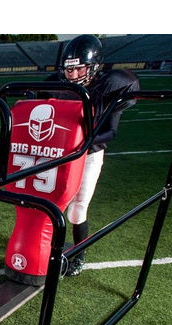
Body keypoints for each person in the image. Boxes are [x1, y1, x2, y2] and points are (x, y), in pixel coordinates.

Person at [54, 35, 140, 276]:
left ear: (93, 67)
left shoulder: (107, 86)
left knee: (77, 209)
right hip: (64, 155)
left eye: (78, 68)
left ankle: (79, 257)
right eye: (68, 69)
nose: (71, 75)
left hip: (89, 155)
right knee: (54, 204)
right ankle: (51, 248)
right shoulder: (61, 86)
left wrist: (83, 141)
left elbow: (110, 132)